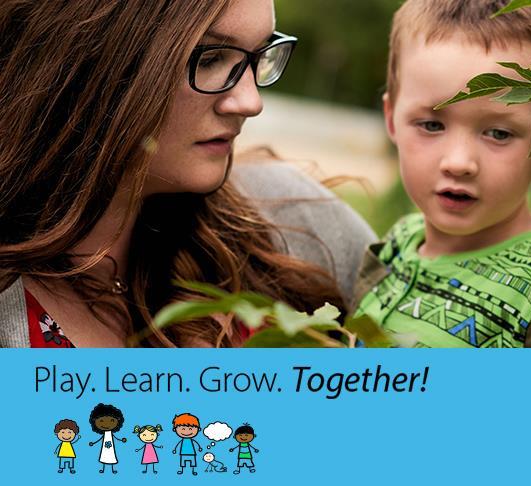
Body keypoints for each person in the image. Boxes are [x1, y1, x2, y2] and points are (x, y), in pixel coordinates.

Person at [0, 0, 374, 347]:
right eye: (210, 57)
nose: (250, 102)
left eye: (259, 55)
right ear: (91, 59)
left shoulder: (294, 221)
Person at [353, 0, 531, 348]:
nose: (459, 162)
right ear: (391, 119)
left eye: (499, 133)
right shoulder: (398, 244)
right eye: (432, 125)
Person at [85, 404, 126, 474]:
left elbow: (115, 437)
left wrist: (121, 440)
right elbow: (100, 439)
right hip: (105, 448)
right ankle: (103, 469)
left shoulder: (110, 434)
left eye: (112, 420)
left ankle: (113, 469)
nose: (106, 424)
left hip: (111, 448)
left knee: (112, 455)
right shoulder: (105, 434)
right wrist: (93, 443)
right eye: (101, 421)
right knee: (104, 455)